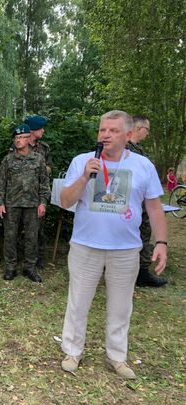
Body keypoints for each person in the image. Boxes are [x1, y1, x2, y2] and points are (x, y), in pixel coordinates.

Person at [59, 110, 167, 379]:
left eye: (113, 130)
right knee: (78, 302)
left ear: (128, 135)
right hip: (85, 245)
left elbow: (154, 207)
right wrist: (84, 177)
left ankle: (116, 356)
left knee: (121, 305)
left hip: (126, 249)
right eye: (102, 130)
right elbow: (65, 200)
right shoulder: (82, 161)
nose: (105, 135)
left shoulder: (143, 166)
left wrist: (161, 241)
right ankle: (72, 351)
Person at [0, 124, 50, 283]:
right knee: (10, 237)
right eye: (16, 138)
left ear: (28, 139)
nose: (18, 141)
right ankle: (10, 267)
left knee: (32, 237)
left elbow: (44, 183)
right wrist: (0, 203)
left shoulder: (38, 159)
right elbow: (0, 183)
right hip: (12, 204)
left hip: (32, 205)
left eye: (21, 137)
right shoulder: (8, 160)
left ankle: (29, 268)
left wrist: (43, 203)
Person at [126, 115, 167, 287]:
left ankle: (141, 272)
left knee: (143, 235)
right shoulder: (124, 149)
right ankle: (135, 273)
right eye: (147, 130)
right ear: (138, 128)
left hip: (144, 204)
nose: (148, 134)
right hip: (130, 205)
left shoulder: (139, 150)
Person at [24, 115, 52, 270]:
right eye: (40, 128)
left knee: (39, 229)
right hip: (20, 193)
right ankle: (23, 257)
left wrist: (38, 168)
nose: (43, 131)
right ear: (32, 130)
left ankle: (39, 257)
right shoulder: (17, 144)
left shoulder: (44, 148)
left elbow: (49, 168)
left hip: (38, 193)